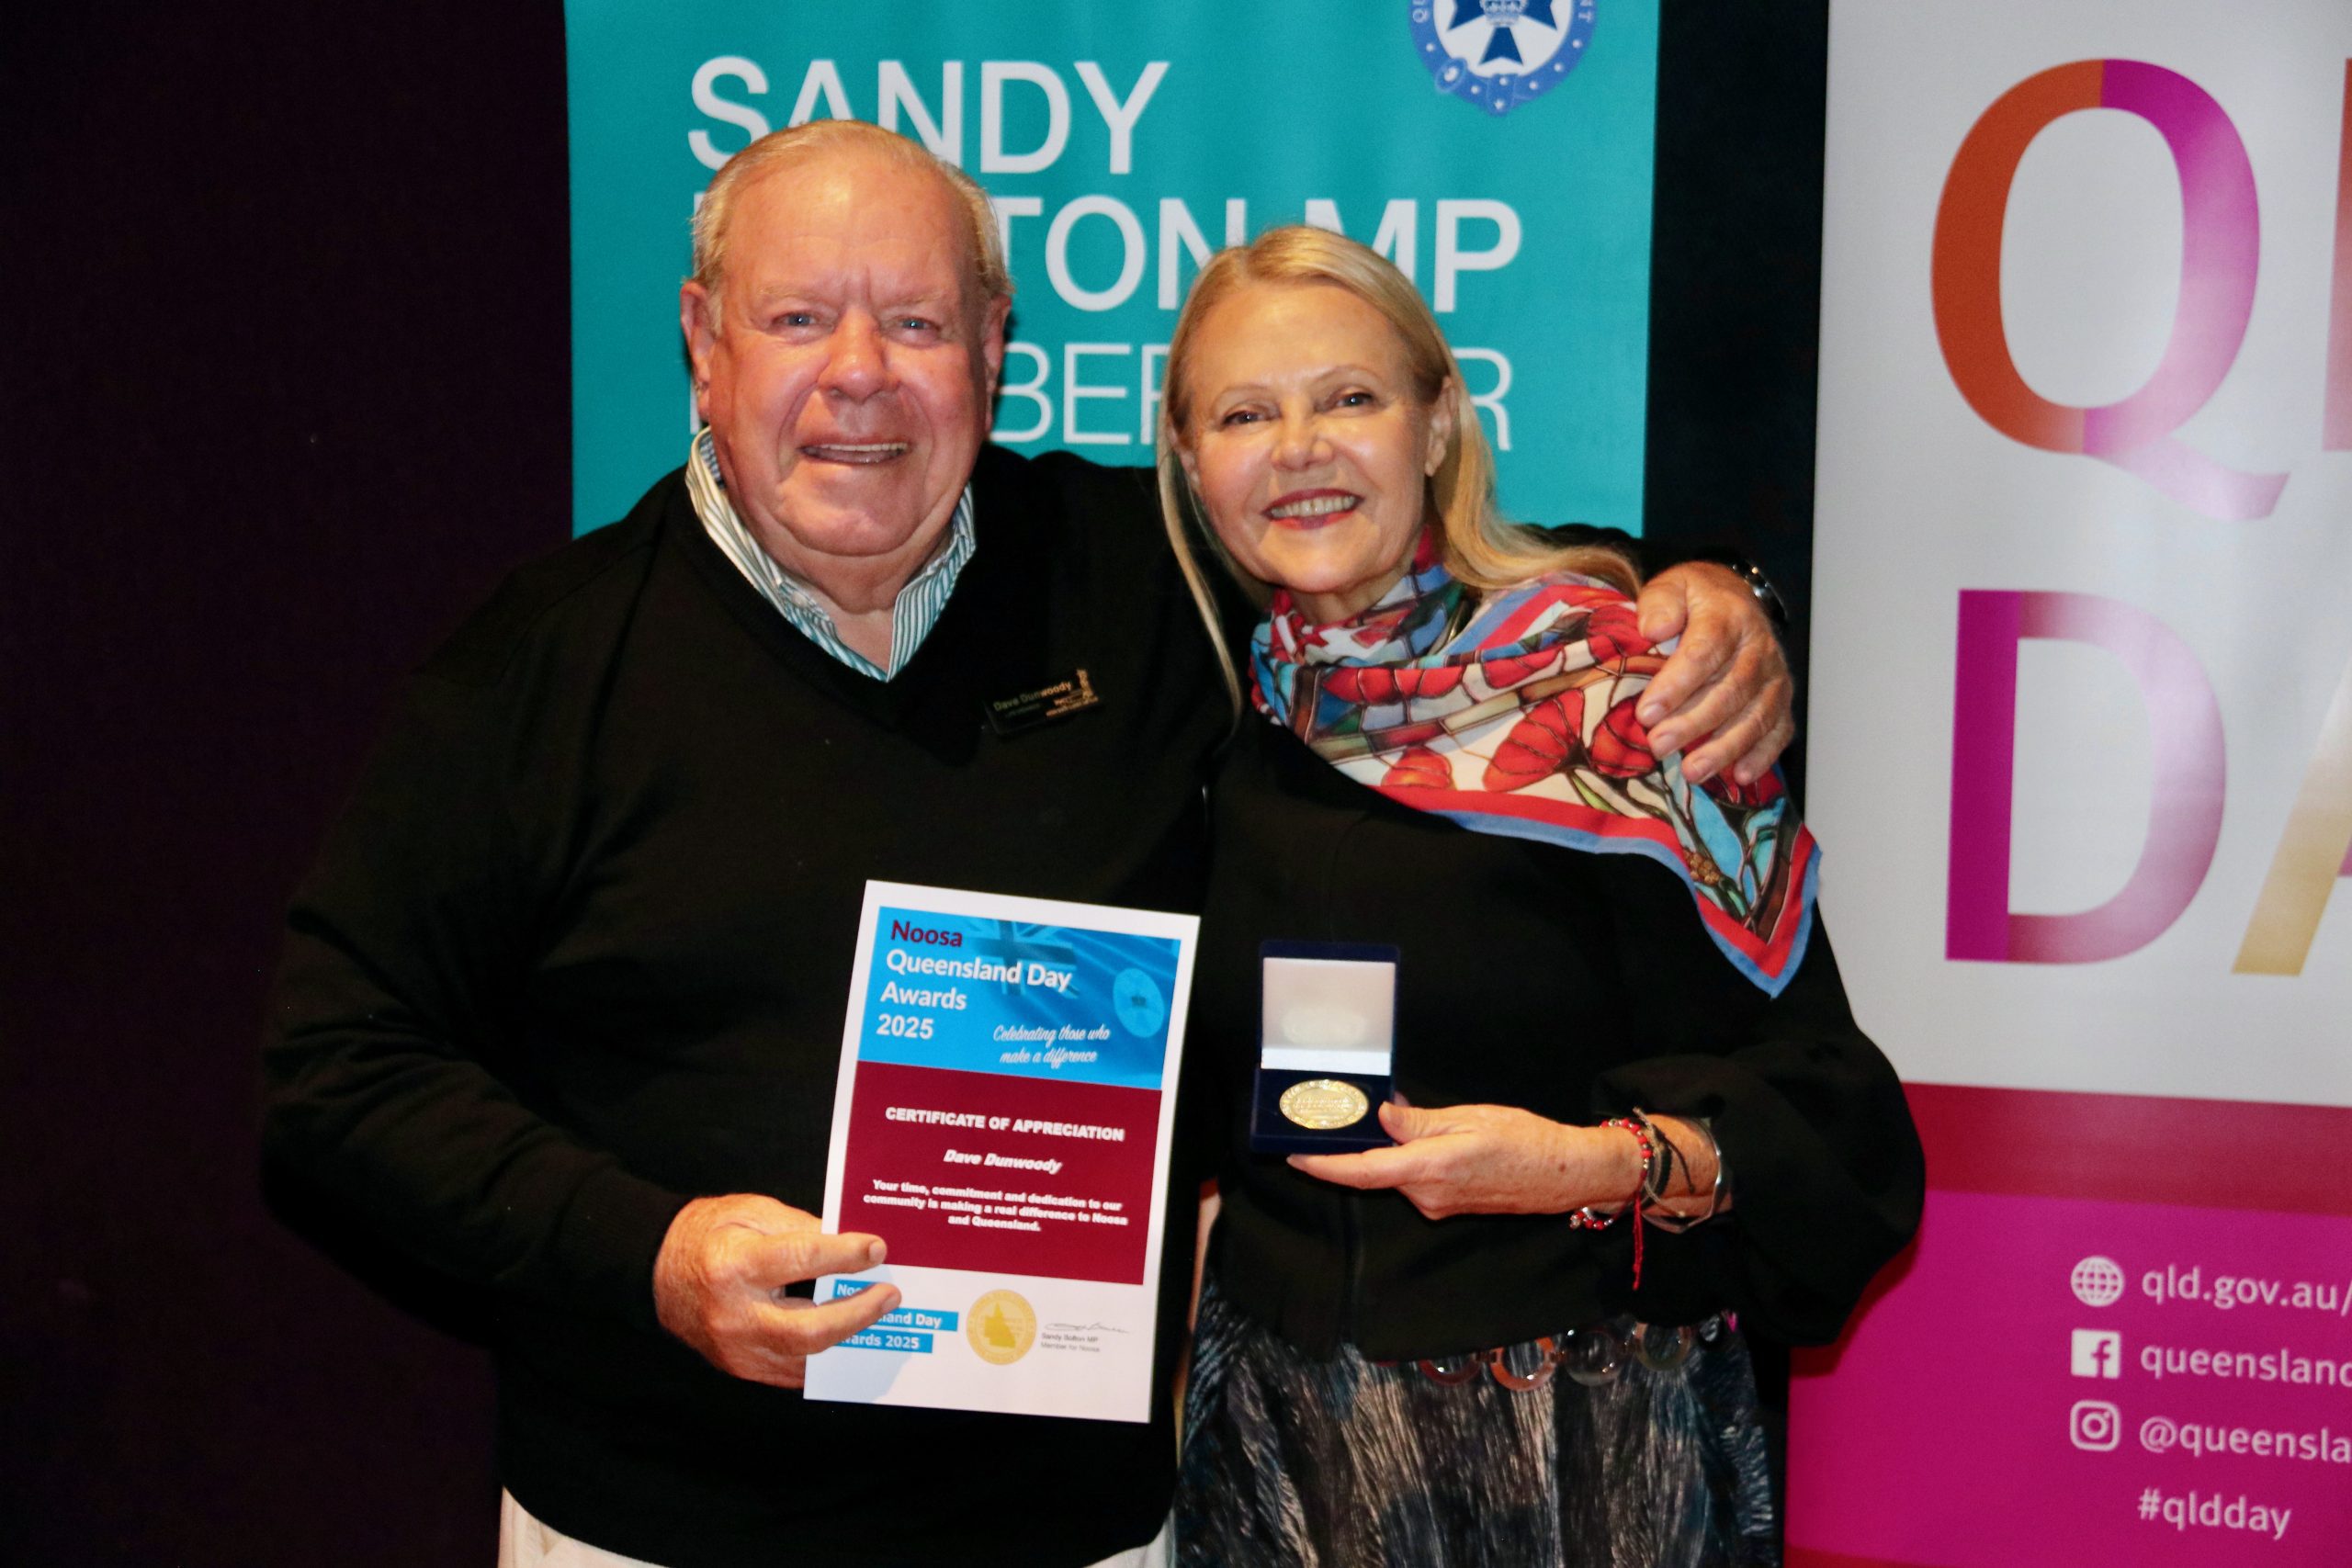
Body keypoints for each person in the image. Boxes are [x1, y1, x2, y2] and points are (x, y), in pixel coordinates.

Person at [262, 122, 1797, 1568]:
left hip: (1082, 1530)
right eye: (798, 319)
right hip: (659, 1521)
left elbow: (1419, 570)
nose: (859, 375)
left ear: (995, 350)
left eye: (917, 324)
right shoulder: (542, 665)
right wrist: (647, 1254)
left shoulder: (1152, 577)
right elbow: (338, 1071)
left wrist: (1703, 593)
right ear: (702, 341)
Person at [1155, 227, 1924, 1567]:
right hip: (1275, 1461)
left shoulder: (1629, 701)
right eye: (1244, 414)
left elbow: (1838, 1128)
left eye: (1350, 397)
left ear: (1438, 422)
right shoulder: (1205, 705)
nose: (1299, 449)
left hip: (1586, 1454)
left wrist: (1585, 1166)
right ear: (1186, 458)